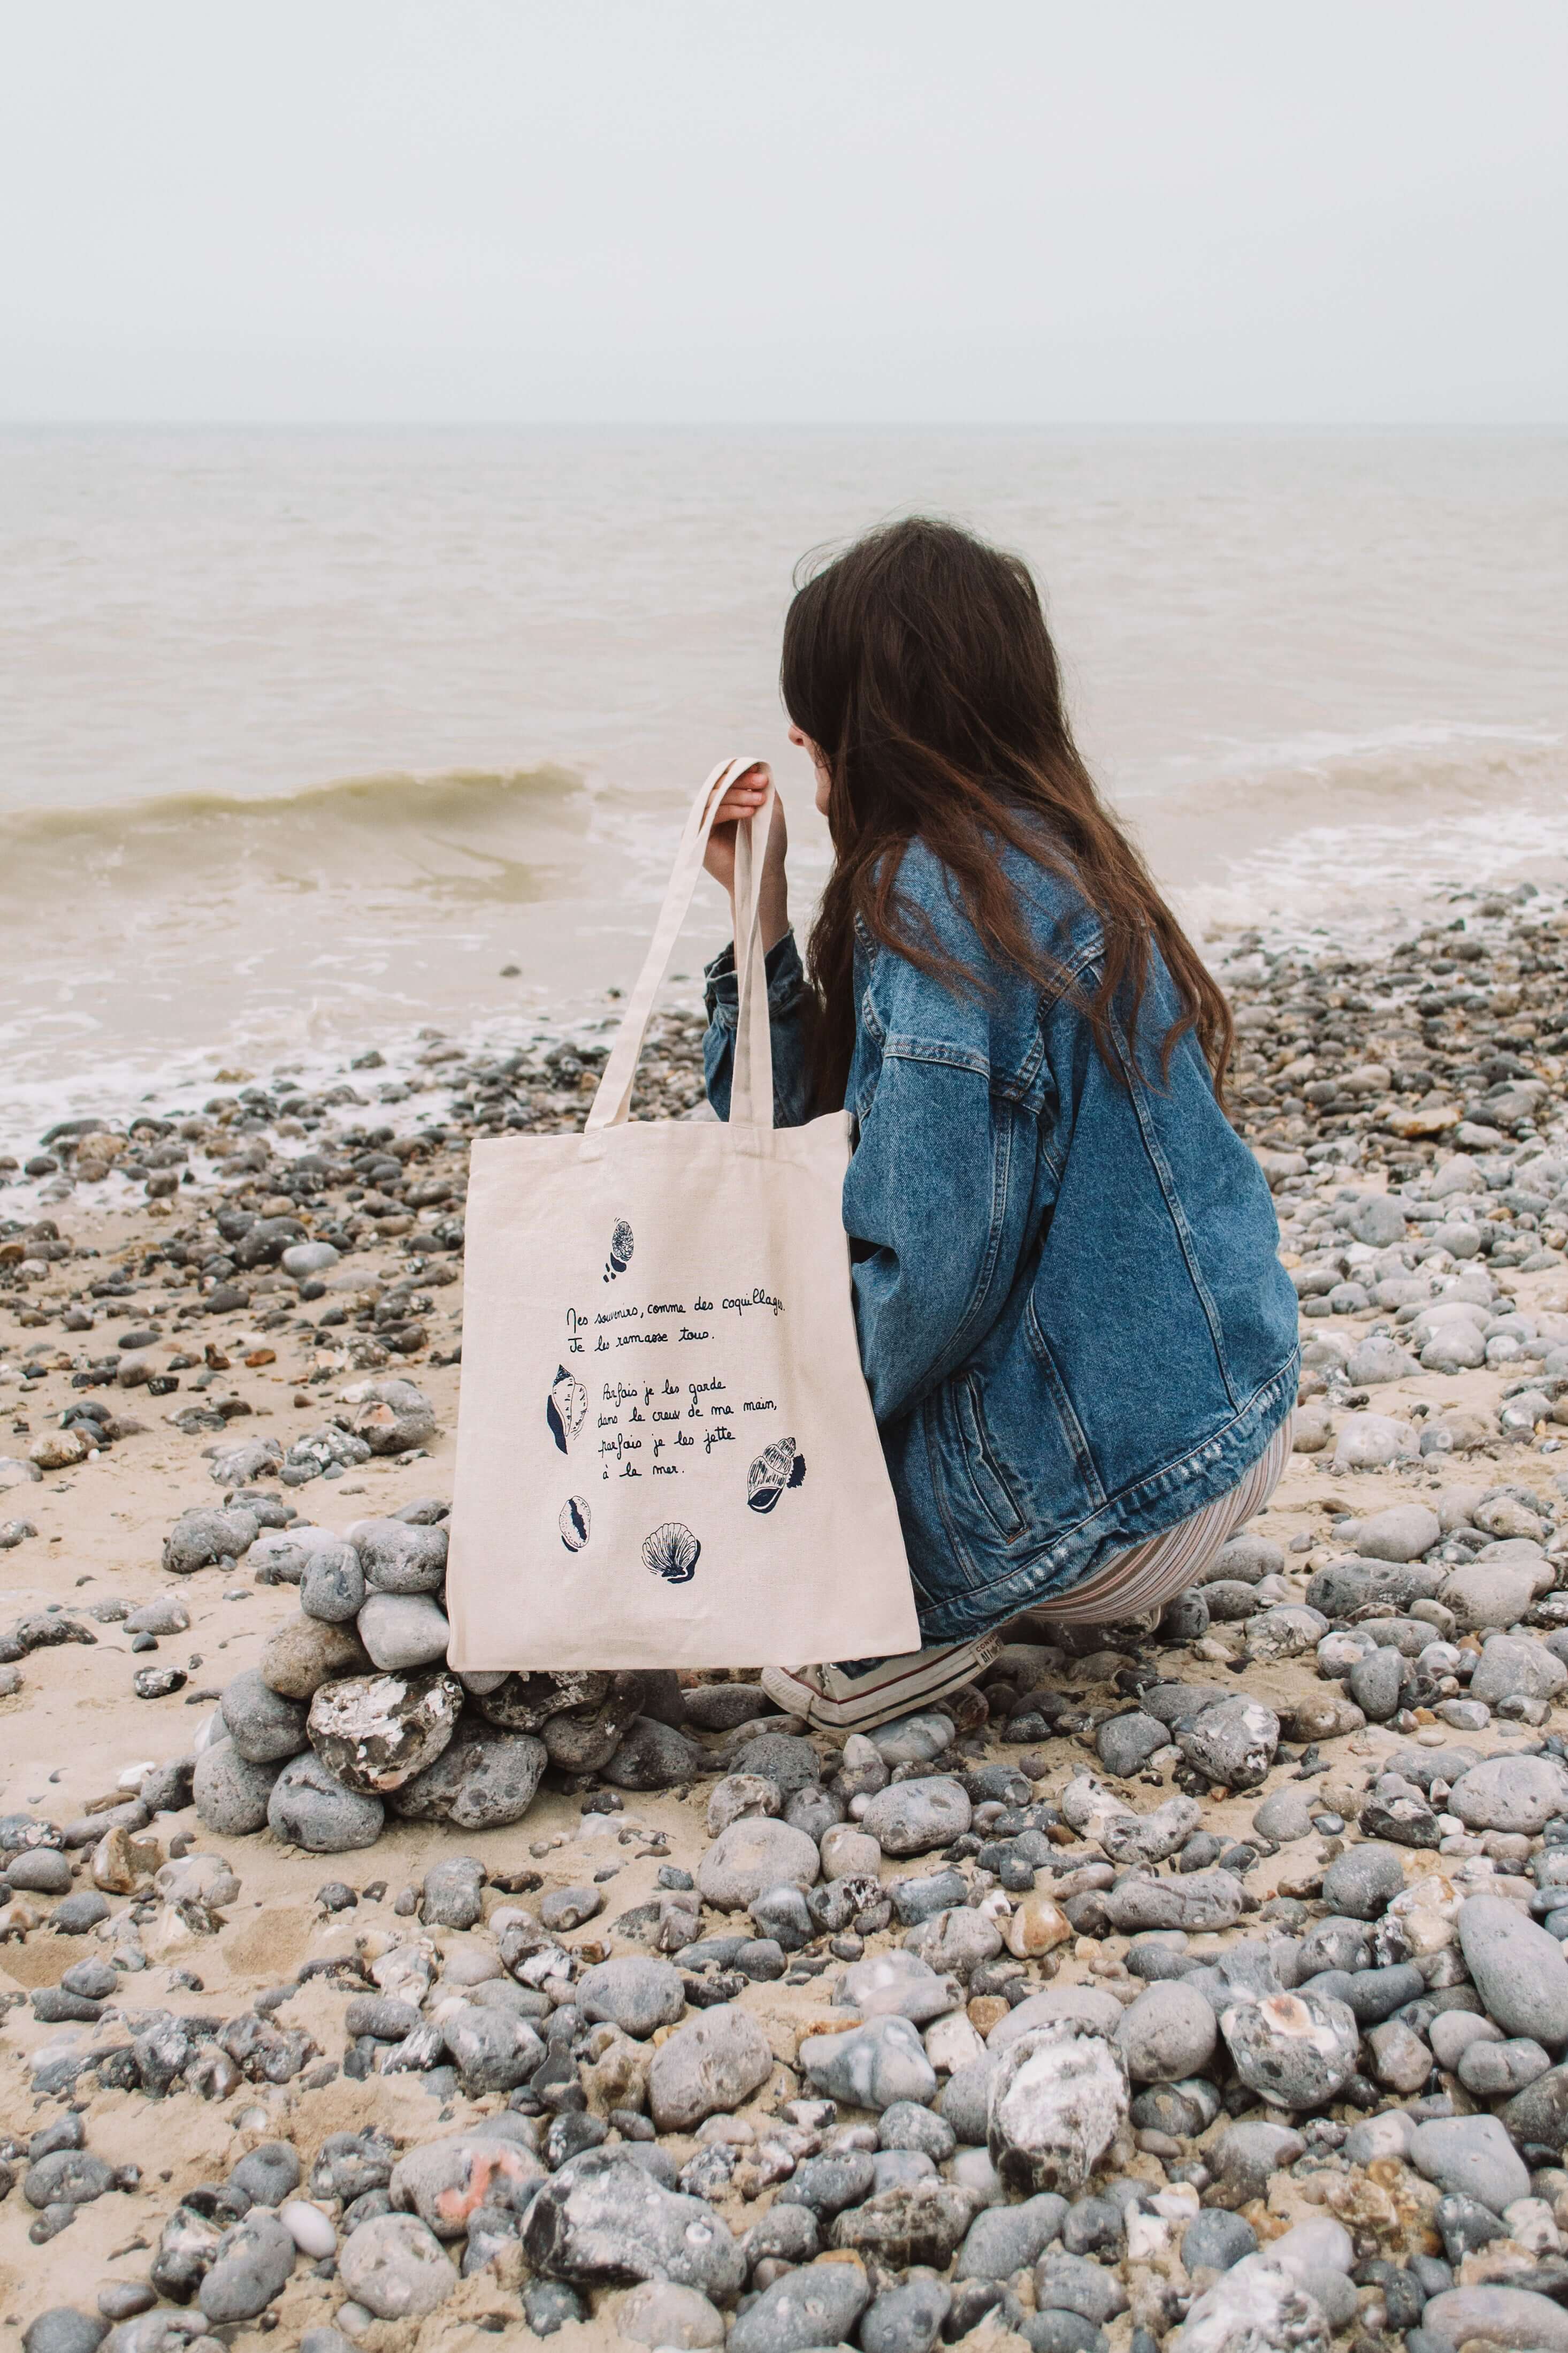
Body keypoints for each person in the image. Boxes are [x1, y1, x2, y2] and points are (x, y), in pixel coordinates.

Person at [700, 517, 1299, 1731]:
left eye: (811, 741)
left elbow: (926, 1275)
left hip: (1116, 1488)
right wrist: (754, 924)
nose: (809, 775)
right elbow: (811, 1154)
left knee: (725, 1535)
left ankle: (917, 1628)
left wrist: (773, 1433)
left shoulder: (932, 894)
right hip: (1227, 1421)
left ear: (855, 735)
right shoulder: (1047, 855)